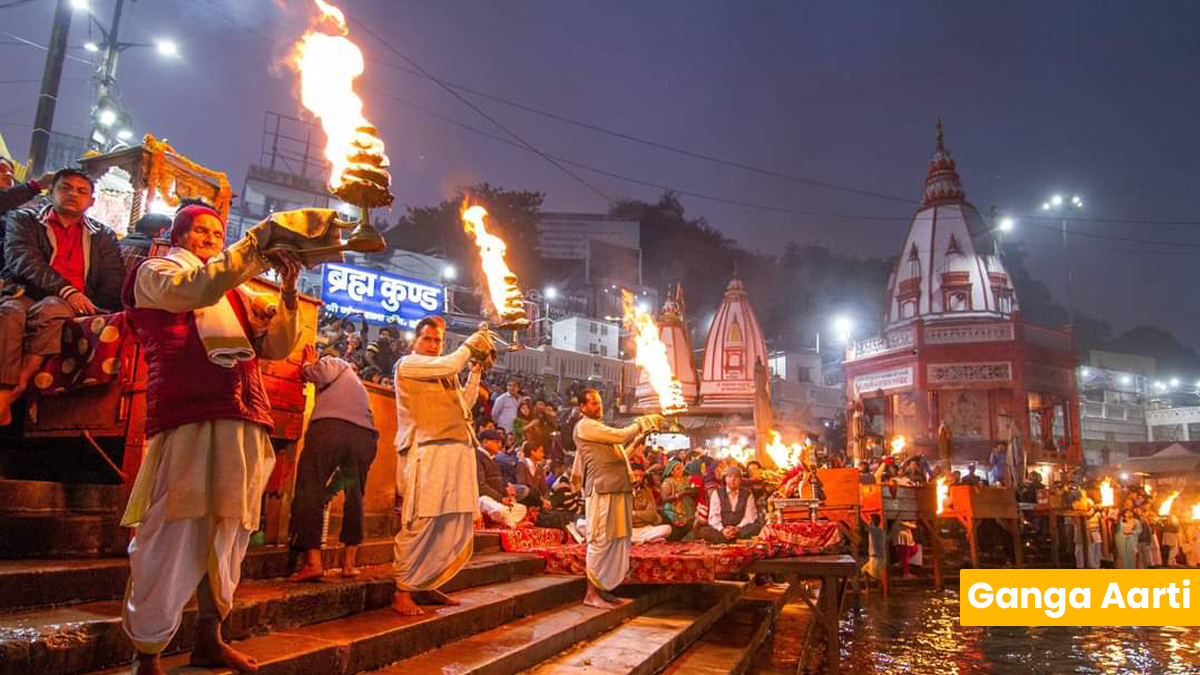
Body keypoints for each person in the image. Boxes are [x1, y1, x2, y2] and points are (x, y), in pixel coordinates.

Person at [119, 203, 313, 675]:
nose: (208, 237)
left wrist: (288, 293)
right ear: (179, 235)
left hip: (244, 416)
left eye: (216, 232)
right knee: (171, 531)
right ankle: (147, 654)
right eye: (199, 230)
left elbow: (276, 347)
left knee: (230, 532)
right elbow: (195, 289)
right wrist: (255, 246)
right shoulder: (157, 271)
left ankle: (210, 637)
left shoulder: (236, 292)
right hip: (188, 416)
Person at [1, 168, 124, 426]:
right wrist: (66, 290)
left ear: (91, 201)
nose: (72, 195)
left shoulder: (103, 236)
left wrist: (103, 312)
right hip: (25, 292)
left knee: (52, 309)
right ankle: (5, 393)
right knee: (9, 312)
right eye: (65, 187)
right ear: (50, 191)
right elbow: (22, 260)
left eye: (82, 191)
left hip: (72, 304)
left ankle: (16, 389)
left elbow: (112, 280)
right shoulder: (25, 220)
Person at [391, 316, 493, 616]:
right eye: (427, 339)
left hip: (454, 454)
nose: (433, 345)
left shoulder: (444, 372)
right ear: (415, 341)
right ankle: (402, 591)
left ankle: (427, 581)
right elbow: (450, 363)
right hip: (427, 453)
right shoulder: (408, 365)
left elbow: (465, 404)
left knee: (449, 521)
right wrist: (469, 346)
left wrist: (476, 371)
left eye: (437, 341)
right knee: (422, 521)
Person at [288, 350, 379, 582]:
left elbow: (323, 371)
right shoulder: (358, 386)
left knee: (309, 488)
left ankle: (313, 563)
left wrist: (308, 364)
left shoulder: (336, 362)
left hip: (330, 429)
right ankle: (348, 563)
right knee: (355, 494)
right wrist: (329, 492)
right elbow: (344, 476)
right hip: (364, 435)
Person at [569, 389, 663, 609]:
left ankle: (604, 590)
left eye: (599, 402)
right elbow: (620, 436)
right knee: (600, 540)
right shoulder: (585, 425)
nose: (597, 407)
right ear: (582, 407)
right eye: (592, 403)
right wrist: (641, 422)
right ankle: (591, 594)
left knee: (615, 540)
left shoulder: (599, 429)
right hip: (602, 491)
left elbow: (620, 453)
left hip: (617, 490)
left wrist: (641, 436)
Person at [695, 466, 761, 544]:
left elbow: (749, 516)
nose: (733, 480)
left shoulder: (748, 494)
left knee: (756, 527)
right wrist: (723, 530)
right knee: (704, 531)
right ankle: (734, 540)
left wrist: (737, 529)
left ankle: (727, 539)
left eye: (736, 477)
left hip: (740, 529)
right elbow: (714, 516)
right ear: (726, 479)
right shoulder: (717, 493)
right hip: (722, 529)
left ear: (740, 480)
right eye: (730, 477)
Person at [476, 428, 527, 527]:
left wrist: (506, 492)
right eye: (496, 442)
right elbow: (480, 486)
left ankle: (507, 521)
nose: (499, 445)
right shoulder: (477, 457)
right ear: (485, 442)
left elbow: (498, 481)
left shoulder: (492, 459)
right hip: (483, 498)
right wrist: (500, 499)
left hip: (497, 498)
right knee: (499, 509)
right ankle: (512, 525)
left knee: (521, 508)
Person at [630, 463, 671, 544]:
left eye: (641, 476)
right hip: (630, 529)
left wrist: (634, 513)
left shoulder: (647, 490)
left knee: (667, 529)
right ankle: (647, 539)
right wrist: (643, 515)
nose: (638, 479)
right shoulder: (622, 492)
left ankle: (639, 539)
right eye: (635, 476)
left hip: (646, 528)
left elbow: (652, 515)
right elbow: (624, 516)